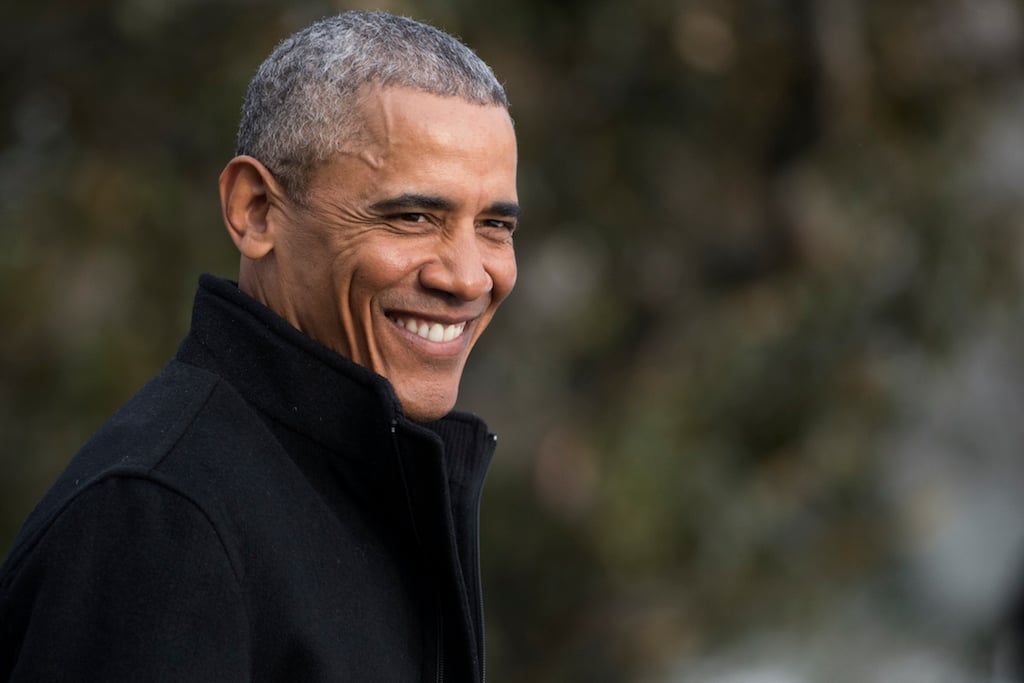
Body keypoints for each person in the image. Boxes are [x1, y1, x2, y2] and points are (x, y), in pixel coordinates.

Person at [0, 11, 518, 682]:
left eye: (495, 225)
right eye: (413, 216)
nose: (468, 275)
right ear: (255, 210)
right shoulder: (160, 523)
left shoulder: (374, 486)